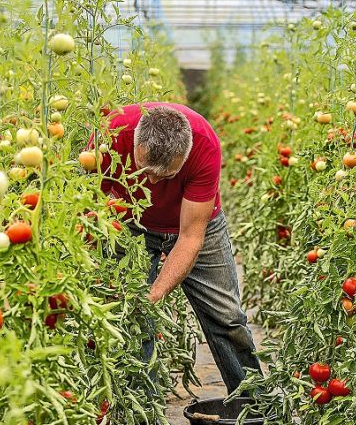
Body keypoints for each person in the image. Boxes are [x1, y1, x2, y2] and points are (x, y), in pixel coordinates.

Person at [88, 102, 261, 394]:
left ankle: (256, 406)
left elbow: (191, 236)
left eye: (166, 176)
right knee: (130, 318)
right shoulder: (110, 135)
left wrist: (154, 292)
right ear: (135, 142)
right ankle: (140, 408)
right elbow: (92, 210)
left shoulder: (205, 145)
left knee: (227, 317)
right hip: (130, 224)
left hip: (198, 224)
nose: (153, 181)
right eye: (144, 171)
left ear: (186, 152)